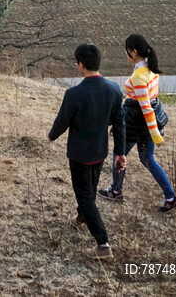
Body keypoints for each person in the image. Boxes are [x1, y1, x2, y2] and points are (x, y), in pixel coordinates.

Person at [48, 43, 127, 260]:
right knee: (89, 189)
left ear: (81, 65)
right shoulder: (113, 90)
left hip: (79, 154)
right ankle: (80, 219)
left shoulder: (74, 94)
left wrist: (51, 135)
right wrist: (120, 152)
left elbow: (63, 121)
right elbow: (119, 124)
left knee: (84, 196)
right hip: (100, 151)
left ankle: (103, 244)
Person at [98, 34, 176, 213]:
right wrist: (153, 131)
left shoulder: (138, 76)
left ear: (134, 52)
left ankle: (116, 191)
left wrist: (156, 134)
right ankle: (171, 197)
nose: (125, 54)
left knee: (119, 153)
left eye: (127, 51)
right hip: (145, 122)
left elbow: (145, 107)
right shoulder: (151, 69)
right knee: (147, 159)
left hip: (135, 122)